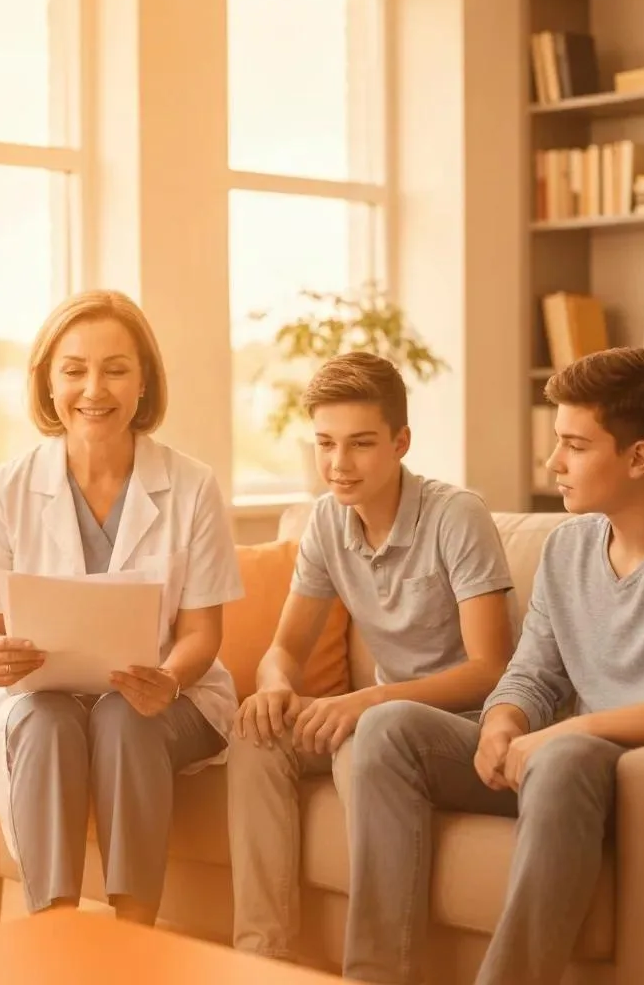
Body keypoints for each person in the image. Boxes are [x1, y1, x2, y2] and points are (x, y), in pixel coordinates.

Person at [346, 346, 644, 985]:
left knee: (561, 754)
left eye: (574, 446)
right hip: (555, 767)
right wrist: (502, 720)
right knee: (388, 729)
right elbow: (534, 672)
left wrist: (577, 730)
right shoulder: (567, 546)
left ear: (639, 458)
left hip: (632, 773)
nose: (552, 463)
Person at [0, 288, 243, 923]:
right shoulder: (5, 489)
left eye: (115, 369)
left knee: (122, 719)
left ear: (144, 384)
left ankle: (133, 939)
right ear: (48, 384)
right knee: (48, 721)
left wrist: (169, 679)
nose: (93, 389)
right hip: (42, 697)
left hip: (173, 699)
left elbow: (201, 632)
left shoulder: (192, 486)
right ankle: (54, 934)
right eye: (74, 369)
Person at [227, 351, 519, 970]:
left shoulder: (455, 516)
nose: (338, 464)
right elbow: (285, 649)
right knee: (256, 733)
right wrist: (276, 686)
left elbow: (491, 667)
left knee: (369, 740)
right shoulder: (328, 523)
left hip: (460, 727)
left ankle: (375, 973)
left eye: (360, 444)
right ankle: (261, 960)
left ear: (400, 442)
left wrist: (364, 702)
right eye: (325, 444)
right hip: (376, 717)